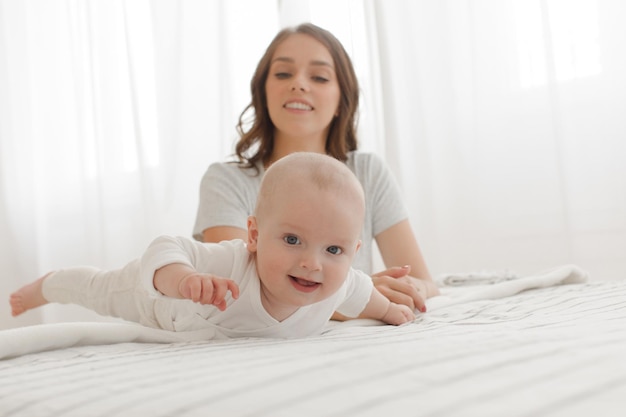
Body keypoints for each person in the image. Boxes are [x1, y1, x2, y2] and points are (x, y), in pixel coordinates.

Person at [10, 153, 415, 339]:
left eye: (334, 250)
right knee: (97, 289)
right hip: (155, 299)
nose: (312, 264)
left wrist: (393, 312)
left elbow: (368, 298)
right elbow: (164, 246)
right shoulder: (230, 265)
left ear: (353, 250)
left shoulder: (342, 284)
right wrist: (184, 279)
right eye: (292, 240)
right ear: (253, 236)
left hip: (193, 324)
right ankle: (49, 284)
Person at [193, 23, 439, 315]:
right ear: (263, 93)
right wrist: (361, 298)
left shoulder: (368, 172)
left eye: (320, 77)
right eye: (283, 73)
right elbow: (241, 290)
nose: (298, 83)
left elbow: (425, 282)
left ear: (340, 100)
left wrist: (411, 289)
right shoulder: (226, 181)